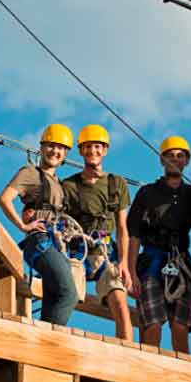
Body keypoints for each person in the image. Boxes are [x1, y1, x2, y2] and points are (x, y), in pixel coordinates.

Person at [0, 124, 79, 326]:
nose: (55, 151)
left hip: (56, 244)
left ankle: (45, 341)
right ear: (42, 148)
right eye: (51, 146)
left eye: (60, 148)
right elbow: (5, 199)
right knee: (69, 294)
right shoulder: (31, 173)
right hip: (40, 242)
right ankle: (53, 340)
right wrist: (23, 226)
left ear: (66, 153)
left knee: (53, 299)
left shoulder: (59, 184)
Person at [62, 125, 134, 341]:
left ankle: (127, 354)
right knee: (66, 298)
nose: (93, 151)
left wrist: (124, 264)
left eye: (97, 147)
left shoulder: (116, 184)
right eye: (88, 147)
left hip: (105, 253)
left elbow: (123, 229)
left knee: (120, 303)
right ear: (81, 151)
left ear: (104, 150)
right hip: (78, 252)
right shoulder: (69, 186)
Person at [127, 136, 191, 352]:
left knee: (180, 326)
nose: (175, 159)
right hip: (151, 263)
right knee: (153, 324)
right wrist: (131, 273)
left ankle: (184, 376)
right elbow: (134, 235)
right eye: (170, 155)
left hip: (180, 264)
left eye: (180, 156)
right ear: (162, 160)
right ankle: (148, 377)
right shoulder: (148, 193)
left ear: (186, 161)